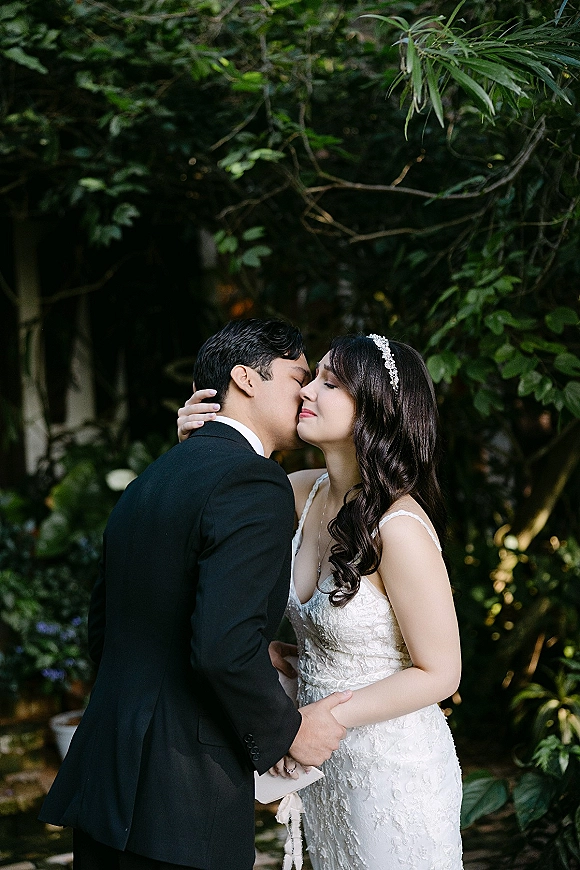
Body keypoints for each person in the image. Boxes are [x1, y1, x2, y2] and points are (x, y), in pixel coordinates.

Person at [39, 319, 352, 870]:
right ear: (246, 379)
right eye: (297, 376)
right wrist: (288, 734)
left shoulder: (152, 478)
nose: (306, 392)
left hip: (106, 786)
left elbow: (105, 631)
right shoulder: (254, 483)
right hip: (182, 801)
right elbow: (220, 648)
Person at [178, 332, 464, 870]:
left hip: (393, 768)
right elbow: (212, 514)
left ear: (372, 413)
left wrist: (318, 721)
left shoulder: (399, 528)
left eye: (328, 383)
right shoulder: (296, 492)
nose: (306, 390)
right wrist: (200, 442)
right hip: (323, 766)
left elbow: (441, 671)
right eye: (312, 377)